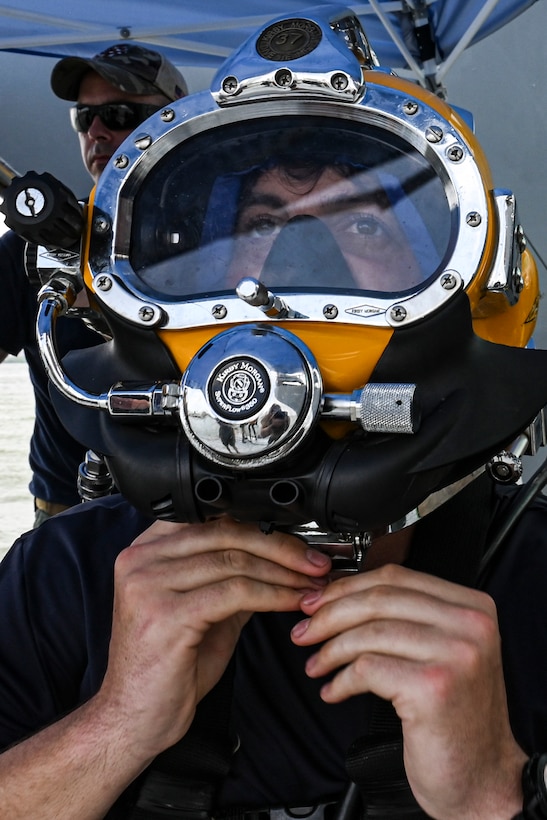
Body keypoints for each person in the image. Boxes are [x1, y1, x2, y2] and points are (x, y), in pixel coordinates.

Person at [1, 8, 547, 819]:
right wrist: (113, 725)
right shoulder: (67, 578)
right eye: (260, 223)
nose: (294, 259)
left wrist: (494, 795)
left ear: (472, 283)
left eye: (360, 222)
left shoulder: (532, 585)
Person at [0, 42, 187, 527]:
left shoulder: (233, 241)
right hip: (68, 521)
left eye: (118, 114)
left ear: (174, 120)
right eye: (84, 118)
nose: (97, 132)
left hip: (201, 518)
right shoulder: (29, 248)